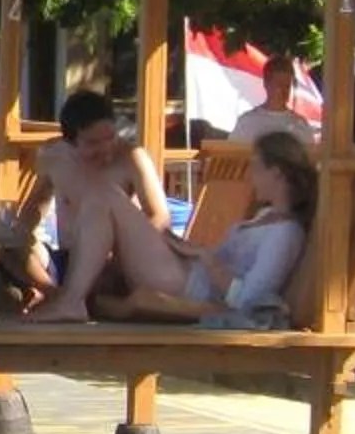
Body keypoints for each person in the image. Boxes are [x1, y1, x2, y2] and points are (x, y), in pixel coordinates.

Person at [76, 129, 320, 326]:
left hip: (189, 289)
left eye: (255, 167)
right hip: (188, 273)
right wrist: (184, 248)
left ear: (276, 173)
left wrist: (205, 257)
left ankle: (71, 300)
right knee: (106, 198)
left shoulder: (286, 234)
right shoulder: (266, 215)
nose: (250, 177)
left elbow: (249, 300)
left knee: (107, 194)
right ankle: (75, 297)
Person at [8, 89, 169, 310]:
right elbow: (36, 205)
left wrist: (121, 259)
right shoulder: (53, 155)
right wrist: (19, 235)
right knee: (11, 250)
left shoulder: (133, 157)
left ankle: (69, 299)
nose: (105, 149)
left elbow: (160, 216)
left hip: (114, 263)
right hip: (67, 257)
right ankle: (57, 295)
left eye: (110, 137)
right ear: (70, 141)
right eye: (93, 143)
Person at [230, 59, 317, 149]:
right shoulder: (247, 122)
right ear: (266, 84)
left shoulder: (300, 124)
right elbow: (232, 158)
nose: (283, 91)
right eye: (279, 85)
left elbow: (310, 159)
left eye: (287, 86)